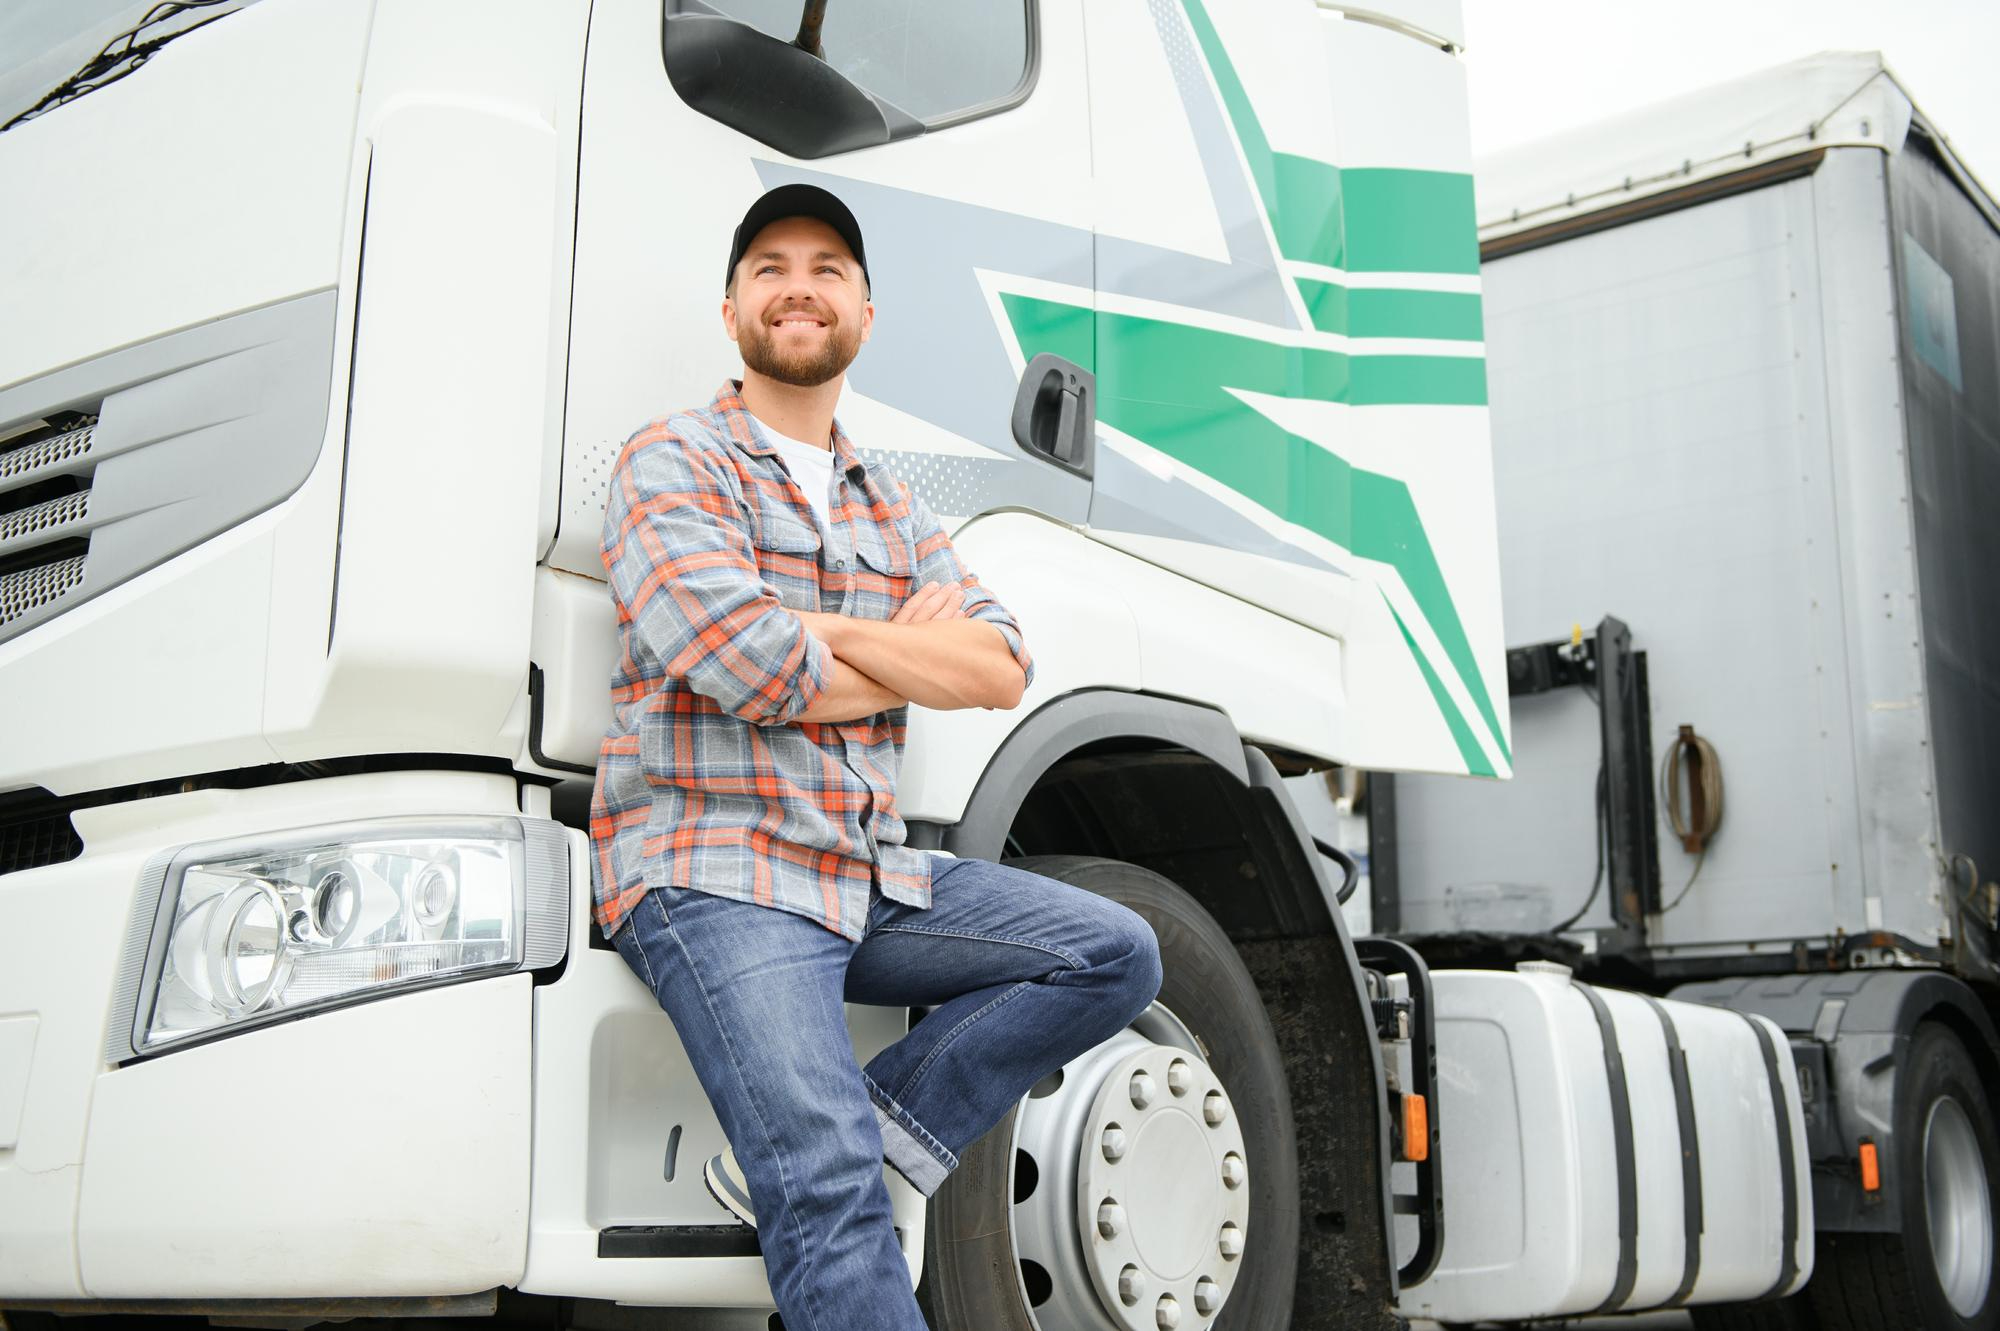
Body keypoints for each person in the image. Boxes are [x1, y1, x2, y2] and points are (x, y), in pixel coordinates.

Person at [588, 183, 1164, 1331]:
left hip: (864, 872)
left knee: (1114, 953)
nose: (797, 285)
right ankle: (823, 1166)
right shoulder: (672, 462)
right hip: (715, 873)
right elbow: (740, 661)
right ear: (731, 308)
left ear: (862, 312)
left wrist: (830, 634)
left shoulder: (891, 503)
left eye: (825, 268)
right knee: (835, 1189)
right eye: (769, 266)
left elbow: (999, 664)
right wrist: (903, 646)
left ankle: (851, 1142)